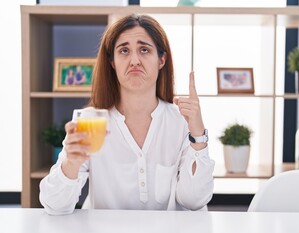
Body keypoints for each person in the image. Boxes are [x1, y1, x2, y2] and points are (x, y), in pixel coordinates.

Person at [39, 14, 215, 215]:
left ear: (161, 60)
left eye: (144, 50)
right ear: (112, 62)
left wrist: (199, 136)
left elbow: (194, 201)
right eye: (124, 51)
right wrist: (71, 163)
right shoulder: (90, 121)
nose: (134, 61)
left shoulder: (180, 121)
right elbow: (54, 205)